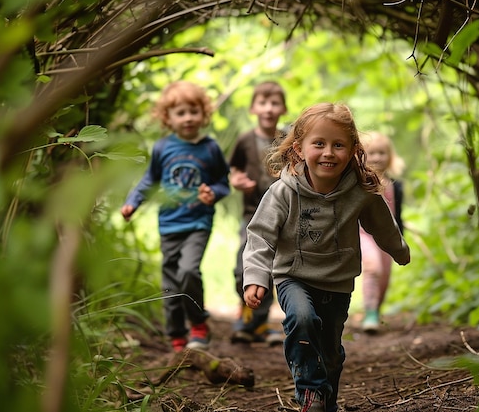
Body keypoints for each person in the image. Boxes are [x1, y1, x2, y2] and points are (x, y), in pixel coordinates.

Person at [242, 103, 410, 412]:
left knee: (331, 351)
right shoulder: (283, 192)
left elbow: (382, 224)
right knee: (302, 320)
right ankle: (309, 392)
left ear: (353, 150)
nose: (328, 152)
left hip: (337, 280)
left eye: (338, 145)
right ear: (299, 149)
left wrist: (399, 251)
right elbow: (261, 235)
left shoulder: (360, 191)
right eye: (318, 143)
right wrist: (255, 277)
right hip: (293, 276)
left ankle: (325, 402)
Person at [121, 81, 230, 353]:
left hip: (198, 222)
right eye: (180, 113)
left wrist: (212, 193)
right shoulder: (162, 148)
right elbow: (150, 180)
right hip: (169, 223)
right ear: (167, 118)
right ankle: (176, 336)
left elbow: (223, 182)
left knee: (188, 271)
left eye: (193, 111)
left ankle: (198, 324)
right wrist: (133, 201)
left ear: (203, 114)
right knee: (170, 284)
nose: (188, 118)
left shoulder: (210, 148)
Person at [228, 81, 288, 345]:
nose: (268, 108)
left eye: (274, 103)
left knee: (274, 268)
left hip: (282, 215)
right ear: (254, 108)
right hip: (252, 214)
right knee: (245, 265)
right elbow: (234, 170)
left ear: (283, 108)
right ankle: (246, 316)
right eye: (263, 103)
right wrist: (237, 180)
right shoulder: (245, 140)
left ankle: (260, 324)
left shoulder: (287, 140)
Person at [359, 131, 406, 333]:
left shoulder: (396, 185)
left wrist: (401, 241)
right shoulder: (359, 182)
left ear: (390, 156)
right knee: (373, 267)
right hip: (362, 234)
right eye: (372, 153)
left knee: (385, 277)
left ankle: (376, 312)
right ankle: (369, 312)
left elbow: (398, 215)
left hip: (387, 236)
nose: (377, 157)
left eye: (382, 152)